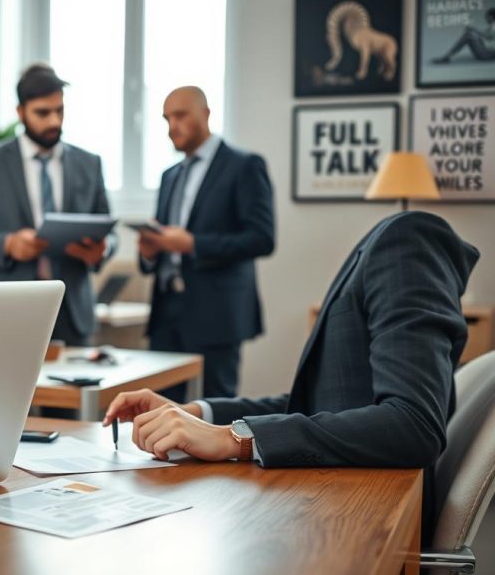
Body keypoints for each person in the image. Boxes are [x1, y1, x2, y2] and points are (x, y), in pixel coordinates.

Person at [107, 211, 479, 545]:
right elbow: (319, 404)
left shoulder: (409, 238)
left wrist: (232, 439)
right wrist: (195, 413)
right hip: (345, 504)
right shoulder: (390, 245)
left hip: (364, 526)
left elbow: (412, 425)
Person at [0, 64, 116, 347]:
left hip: (73, 313)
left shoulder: (89, 163)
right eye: (43, 112)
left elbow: (109, 231)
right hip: (9, 310)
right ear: (21, 112)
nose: (54, 121)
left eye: (60, 110)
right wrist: (8, 244)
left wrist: (102, 250)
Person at [139, 86, 275, 401]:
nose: (172, 126)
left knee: (213, 412)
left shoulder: (245, 165)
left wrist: (193, 244)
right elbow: (163, 241)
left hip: (216, 314)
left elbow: (262, 239)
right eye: (166, 118)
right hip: (166, 313)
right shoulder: (169, 176)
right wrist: (150, 253)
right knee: (158, 410)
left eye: (180, 115)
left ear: (206, 113)